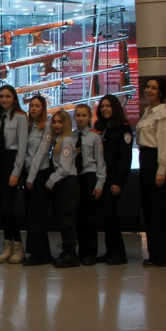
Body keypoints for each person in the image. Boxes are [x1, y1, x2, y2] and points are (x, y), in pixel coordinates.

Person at [136, 77, 166, 268]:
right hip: (146, 160)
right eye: (147, 87)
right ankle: (155, 253)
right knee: (150, 210)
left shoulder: (163, 114)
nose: (149, 90)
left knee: (159, 211)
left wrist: (162, 170)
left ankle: (163, 255)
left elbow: (165, 145)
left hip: (157, 163)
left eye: (154, 88)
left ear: (161, 92)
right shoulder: (147, 113)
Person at [33, 110, 80, 268]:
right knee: (62, 219)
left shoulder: (66, 141)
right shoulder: (58, 140)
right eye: (54, 122)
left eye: (60, 122)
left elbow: (65, 169)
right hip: (62, 183)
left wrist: (51, 180)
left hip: (67, 183)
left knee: (66, 220)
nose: (57, 125)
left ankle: (71, 255)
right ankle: (66, 252)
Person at [93, 95, 133, 265]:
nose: (104, 109)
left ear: (115, 108)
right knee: (105, 215)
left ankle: (119, 253)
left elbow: (125, 158)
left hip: (114, 180)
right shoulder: (101, 128)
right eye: (102, 106)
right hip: (102, 178)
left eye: (108, 106)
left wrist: (118, 182)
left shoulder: (123, 128)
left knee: (109, 213)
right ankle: (110, 252)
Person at [0, 85, 28, 265]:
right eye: (1, 96)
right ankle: (7, 247)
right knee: (2, 209)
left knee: (8, 208)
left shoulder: (20, 117)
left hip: (12, 163)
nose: (4, 99)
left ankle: (19, 248)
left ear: (14, 98)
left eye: (7, 96)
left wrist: (16, 172)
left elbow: (22, 147)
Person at [73, 104, 107, 266]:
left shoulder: (95, 137)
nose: (80, 118)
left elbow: (101, 162)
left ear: (89, 117)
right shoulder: (71, 137)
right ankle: (81, 251)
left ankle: (90, 253)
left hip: (90, 177)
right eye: (78, 115)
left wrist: (100, 183)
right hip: (76, 178)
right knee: (78, 217)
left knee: (90, 217)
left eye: (84, 115)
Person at [22, 96, 53, 266]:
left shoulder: (47, 126)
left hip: (40, 174)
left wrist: (31, 177)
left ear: (43, 108)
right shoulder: (28, 126)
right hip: (28, 173)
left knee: (36, 215)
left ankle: (37, 254)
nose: (33, 108)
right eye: (32, 105)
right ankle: (45, 251)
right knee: (32, 215)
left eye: (37, 106)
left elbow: (41, 154)